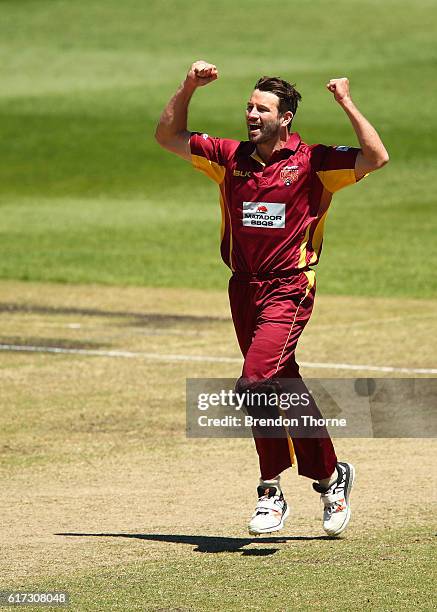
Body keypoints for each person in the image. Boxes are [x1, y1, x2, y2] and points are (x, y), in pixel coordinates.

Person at [155, 60, 389, 536]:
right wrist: (188, 86)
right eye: (248, 107)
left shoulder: (316, 163)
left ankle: (269, 488)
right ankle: (330, 476)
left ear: (286, 118)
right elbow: (167, 135)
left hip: (290, 286)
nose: (251, 115)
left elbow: (376, 156)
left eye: (262, 109)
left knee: (256, 380)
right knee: (282, 382)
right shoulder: (229, 157)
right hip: (243, 287)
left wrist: (345, 101)